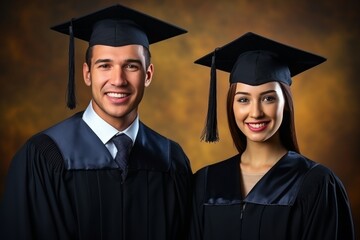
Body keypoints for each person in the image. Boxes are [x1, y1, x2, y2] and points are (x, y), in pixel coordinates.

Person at [0, 4, 192, 240]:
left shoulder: (171, 161)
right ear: (87, 73)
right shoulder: (44, 156)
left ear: (148, 75)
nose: (118, 80)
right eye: (105, 65)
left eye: (131, 66)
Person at [189, 32, 354, 240]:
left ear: (285, 104)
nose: (255, 112)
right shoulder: (205, 183)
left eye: (268, 98)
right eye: (243, 100)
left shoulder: (316, 184)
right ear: (231, 105)